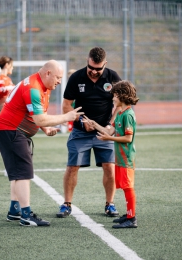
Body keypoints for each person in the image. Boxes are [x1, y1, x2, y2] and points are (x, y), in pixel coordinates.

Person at [0, 60, 84, 227]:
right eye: (57, 77)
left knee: (18, 172)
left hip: (12, 130)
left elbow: (35, 114)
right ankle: (26, 215)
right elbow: (39, 118)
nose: (59, 81)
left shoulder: (41, 85)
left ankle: (15, 210)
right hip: (12, 130)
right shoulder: (34, 88)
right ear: (47, 73)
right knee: (23, 173)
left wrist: (44, 128)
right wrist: (66, 117)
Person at [56, 46, 122, 218]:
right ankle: (66, 204)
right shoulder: (76, 77)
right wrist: (81, 121)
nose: (93, 72)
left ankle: (110, 204)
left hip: (104, 133)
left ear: (105, 64)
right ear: (87, 61)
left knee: (110, 167)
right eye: (90, 67)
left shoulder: (113, 77)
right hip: (80, 132)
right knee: (72, 168)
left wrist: (110, 125)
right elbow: (66, 106)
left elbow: (120, 104)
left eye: (98, 69)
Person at [82, 80, 139, 228]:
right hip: (119, 157)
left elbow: (128, 138)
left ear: (122, 96)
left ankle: (132, 218)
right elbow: (109, 131)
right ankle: (128, 214)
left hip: (126, 158)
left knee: (128, 187)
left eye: (114, 96)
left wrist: (109, 138)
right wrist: (95, 124)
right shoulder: (120, 113)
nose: (112, 98)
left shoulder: (128, 115)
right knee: (125, 186)